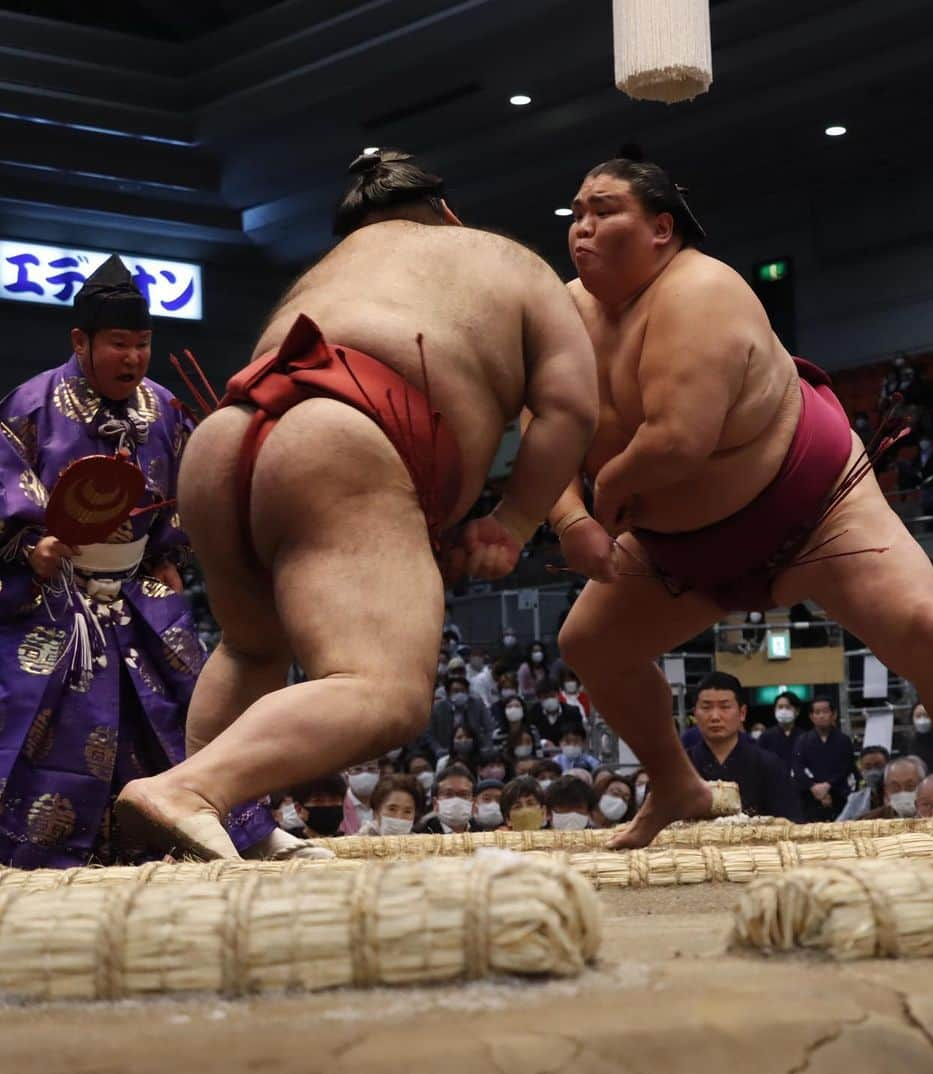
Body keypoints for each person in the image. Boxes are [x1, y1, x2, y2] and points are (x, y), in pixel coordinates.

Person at [544, 149, 933, 848]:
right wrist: (569, 517)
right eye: (577, 214)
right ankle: (676, 785)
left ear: (662, 228)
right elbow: (543, 433)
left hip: (818, 516)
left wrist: (604, 493)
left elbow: (678, 442)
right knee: (590, 644)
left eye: (604, 211)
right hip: (683, 548)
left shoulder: (699, 291)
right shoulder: (563, 314)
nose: (583, 227)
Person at [115, 149, 598, 858]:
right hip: (340, 442)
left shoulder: (323, 273)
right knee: (385, 690)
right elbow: (569, 410)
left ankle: (227, 826)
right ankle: (189, 790)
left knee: (252, 649)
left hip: (223, 439)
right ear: (447, 215)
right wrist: (515, 520)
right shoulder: (506, 260)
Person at [0, 256, 308, 868]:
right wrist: (30, 549)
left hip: (142, 588)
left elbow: (189, 495)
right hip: (54, 596)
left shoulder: (164, 408)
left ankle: (241, 826)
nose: (134, 358)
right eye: (119, 344)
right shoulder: (29, 406)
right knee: (49, 717)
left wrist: (171, 554)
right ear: (80, 342)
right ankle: (34, 855)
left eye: (143, 344)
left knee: (189, 703)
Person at [685, 673, 803, 820]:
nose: (715, 716)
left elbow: (790, 824)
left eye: (725, 707)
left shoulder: (770, 765)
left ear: (742, 713)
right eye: (706, 707)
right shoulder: (679, 768)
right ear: (695, 713)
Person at [790, 697, 855, 822]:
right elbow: (798, 768)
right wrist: (813, 787)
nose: (821, 716)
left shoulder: (843, 740)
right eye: (817, 712)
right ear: (811, 716)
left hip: (838, 794)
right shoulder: (802, 740)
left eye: (825, 712)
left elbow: (846, 767)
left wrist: (828, 785)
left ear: (833, 714)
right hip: (810, 796)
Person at [427, 674, 493, 757]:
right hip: (446, 750)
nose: (460, 694)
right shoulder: (437, 708)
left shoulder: (477, 704)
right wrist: (438, 749)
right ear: (448, 694)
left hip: (475, 749)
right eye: (456, 691)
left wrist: (487, 746)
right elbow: (429, 734)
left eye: (463, 691)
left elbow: (489, 727)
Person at [858, 756, 925, 820]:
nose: (902, 792)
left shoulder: (932, 818)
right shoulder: (868, 821)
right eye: (895, 788)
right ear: (886, 792)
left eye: (910, 786)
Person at [416, 764, 477, 834]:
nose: (456, 800)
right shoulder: (421, 834)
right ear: (435, 803)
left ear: (474, 803)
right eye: (448, 794)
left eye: (463, 794)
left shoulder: (483, 832)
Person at [836, 744, 889, 821]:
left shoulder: (901, 793)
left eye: (878, 766)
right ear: (861, 771)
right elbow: (838, 825)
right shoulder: (856, 798)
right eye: (868, 767)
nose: (873, 772)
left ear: (889, 766)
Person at [528, 677, 584, 749]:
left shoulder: (573, 712)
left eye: (552, 696)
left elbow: (579, 735)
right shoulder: (532, 713)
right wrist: (543, 742)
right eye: (545, 697)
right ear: (539, 698)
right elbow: (529, 735)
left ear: (558, 694)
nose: (550, 699)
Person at [759, 690, 804, 769]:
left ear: (797, 711)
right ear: (774, 710)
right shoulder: (766, 736)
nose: (783, 711)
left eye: (788, 707)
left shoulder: (804, 737)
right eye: (780, 707)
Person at [902, 702, 933, 774]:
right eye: (918, 716)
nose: (922, 720)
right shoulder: (907, 744)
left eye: (926, 716)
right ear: (912, 719)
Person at [342, 760, 381, 834]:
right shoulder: (339, 805)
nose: (365, 774)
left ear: (379, 773)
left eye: (371, 768)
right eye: (358, 769)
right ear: (347, 775)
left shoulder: (385, 802)